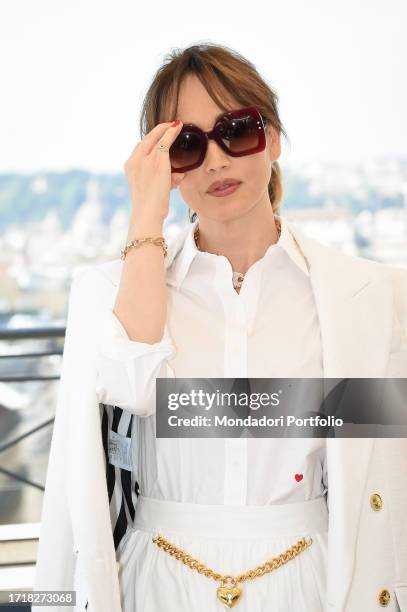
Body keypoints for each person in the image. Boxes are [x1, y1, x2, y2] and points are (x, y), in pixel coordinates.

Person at [33, 43, 407, 612]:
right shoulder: (107, 293)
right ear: (163, 164)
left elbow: (382, 474)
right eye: (186, 144)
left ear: (274, 138)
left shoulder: (370, 296)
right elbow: (129, 393)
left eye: (238, 130)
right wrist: (145, 219)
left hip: (312, 583)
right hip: (154, 584)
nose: (215, 161)